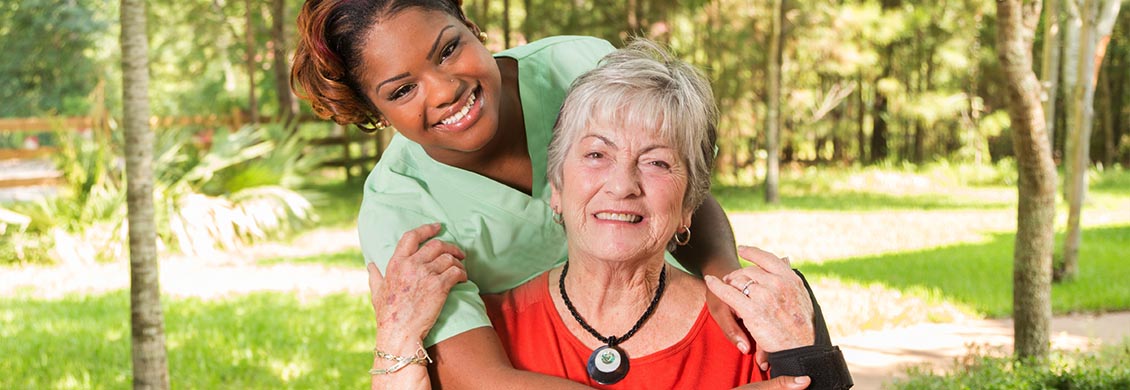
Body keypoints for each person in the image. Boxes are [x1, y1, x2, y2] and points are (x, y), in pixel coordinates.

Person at [290, 0, 845, 388]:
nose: (445, 89)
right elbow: (476, 379)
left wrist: (724, 272)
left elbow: (675, 183)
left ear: (469, 23)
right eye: (402, 89)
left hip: (664, 314)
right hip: (534, 366)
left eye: (448, 49)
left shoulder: (574, 67)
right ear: (372, 110)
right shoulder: (400, 207)